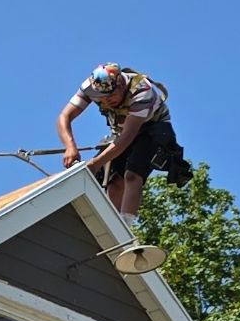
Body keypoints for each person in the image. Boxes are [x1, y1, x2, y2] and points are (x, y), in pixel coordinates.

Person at [57, 63, 190, 216]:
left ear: (121, 84)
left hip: (153, 128)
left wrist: (95, 164)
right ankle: (111, 225)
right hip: (122, 133)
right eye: (102, 97)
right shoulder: (90, 87)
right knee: (114, 180)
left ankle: (126, 227)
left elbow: (128, 137)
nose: (107, 101)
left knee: (132, 174)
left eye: (111, 95)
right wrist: (70, 146)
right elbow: (64, 116)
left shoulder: (141, 91)